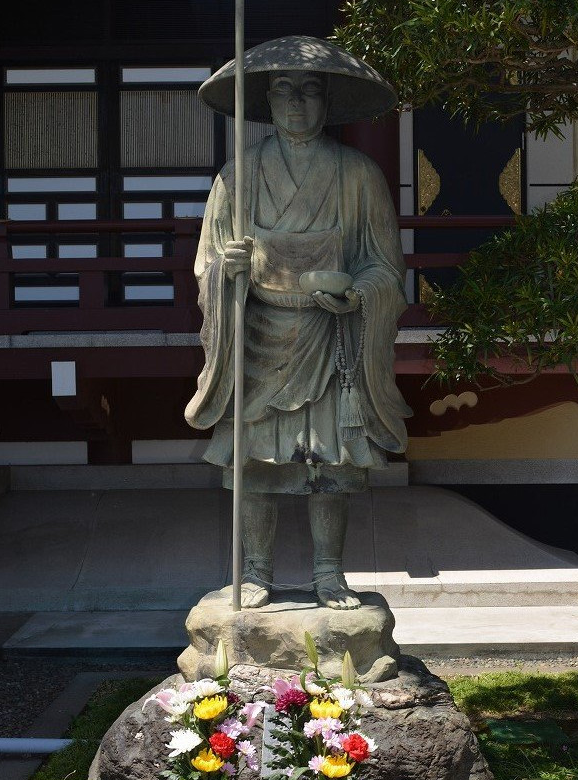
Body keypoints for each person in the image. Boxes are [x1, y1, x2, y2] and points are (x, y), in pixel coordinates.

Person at [185, 36, 411, 610]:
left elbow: (385, 266)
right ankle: (255, 571)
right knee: (256, 460)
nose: (296, 102)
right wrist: (228, 270)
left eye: (310, 90)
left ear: (327, 102)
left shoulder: (357, 174)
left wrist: (357, 293)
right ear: (266, 101)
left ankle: (329, 572)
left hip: (330, 336)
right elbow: (208, 262)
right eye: (284, 90)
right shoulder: (237, 177)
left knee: (330, 460)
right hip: (257, 335)